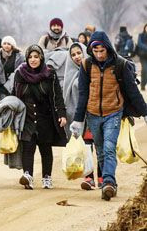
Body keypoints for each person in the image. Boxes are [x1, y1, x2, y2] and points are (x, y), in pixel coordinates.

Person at [70, 31, 147, 201]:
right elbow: (83, 94)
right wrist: (77, 120)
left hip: (113, 112)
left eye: (101, 51)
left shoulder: (120, 65)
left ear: (108, 49)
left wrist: (145, 112)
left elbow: (132, 92)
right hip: (92, 114)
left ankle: (108, 183)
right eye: (95, 51)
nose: (99, 55)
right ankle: (109, 182)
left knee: (109, 148)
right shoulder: (86, 65)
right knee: (100, 150)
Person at [12, 45, 67, 190]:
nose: (33, 60)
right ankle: (28, 176)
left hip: (45, 118)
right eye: (30, 57)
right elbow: (13, 97)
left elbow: (57, 96)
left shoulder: (49, 74)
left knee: (45, 148)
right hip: (27, 118)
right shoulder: (20, 74)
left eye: (36, 57)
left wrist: (61, 114)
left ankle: (46, 177)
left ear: (41, 57)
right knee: (28, 148)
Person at [62, 42, 102, 190]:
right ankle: (89, 177)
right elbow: (67, 96)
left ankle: (102, 177)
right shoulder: (70, 73)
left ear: (85, 52)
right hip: (80, 118)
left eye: (79, 53)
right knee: (86, 147)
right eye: (73, 55)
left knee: (100, 146)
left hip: (96, 113)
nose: (77, 57)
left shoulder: (94, 68)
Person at [136, 24, 147, 91]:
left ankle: (144, 83)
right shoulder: (141, 35)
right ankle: (143, 85)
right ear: (144, 28)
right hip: (143, 55)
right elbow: (139, 44)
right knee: (145, 69)